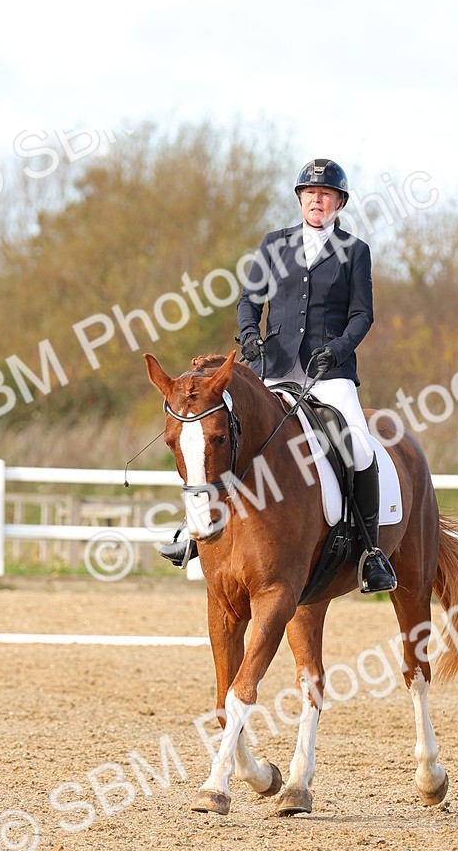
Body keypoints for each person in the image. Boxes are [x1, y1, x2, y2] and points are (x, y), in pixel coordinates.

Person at [159, 157, 396, 594]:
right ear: (301, 200)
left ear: (339, 202)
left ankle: (370, 552)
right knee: (223, 433)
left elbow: (363, 315)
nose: (317, 201)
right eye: (310, 194)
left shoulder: (355, 251)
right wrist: (250, 336)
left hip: (330, 375)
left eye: (325, 195)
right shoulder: (274, 245)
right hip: (273, 371)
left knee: (360, 450)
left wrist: (337, 350)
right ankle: (191, 529)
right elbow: (250, 301)